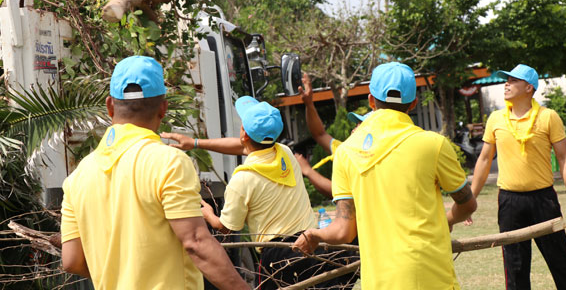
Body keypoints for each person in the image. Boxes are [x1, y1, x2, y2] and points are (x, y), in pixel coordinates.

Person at [60, 56, 249, 290]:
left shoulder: (77, 178)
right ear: (163, 108)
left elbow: (70, 261)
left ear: (110, 106)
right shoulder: (169, 162)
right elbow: (196, 243)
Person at [293, 62, 477, 289]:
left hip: (379, 281)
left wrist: (315, 234)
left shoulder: (346, 152)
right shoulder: (434, 145)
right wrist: (447, 220)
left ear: (371, 100)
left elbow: (343, 230)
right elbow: (467, 205)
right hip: (431, 276)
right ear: (414, 103)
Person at [163, 96, 358, 289]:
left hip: (277, 257)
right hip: (308, 246)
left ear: (243, 134)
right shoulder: (285, 153)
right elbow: (243, 146)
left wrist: (208, 214)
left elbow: (226, 228)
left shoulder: (242, 180)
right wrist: (195, 143)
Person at [469, 64, 566, 290]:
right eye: (506, 80)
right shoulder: (496, 119)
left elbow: (564, 158)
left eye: (513, 81)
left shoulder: (549, 117)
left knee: (559, 261)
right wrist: (469, 201)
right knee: (515, 268)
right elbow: (483, 160)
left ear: (529, 87)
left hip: (544, 200)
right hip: (509, 202)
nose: (506, 84)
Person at [294, 73, 369, 198]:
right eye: (356, 124)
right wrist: (309, 104)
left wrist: (308, 171)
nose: (354, 129)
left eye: (360, 125)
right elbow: (319, 134)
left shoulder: (366, 159)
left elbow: (338, 192)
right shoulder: (346, 150)